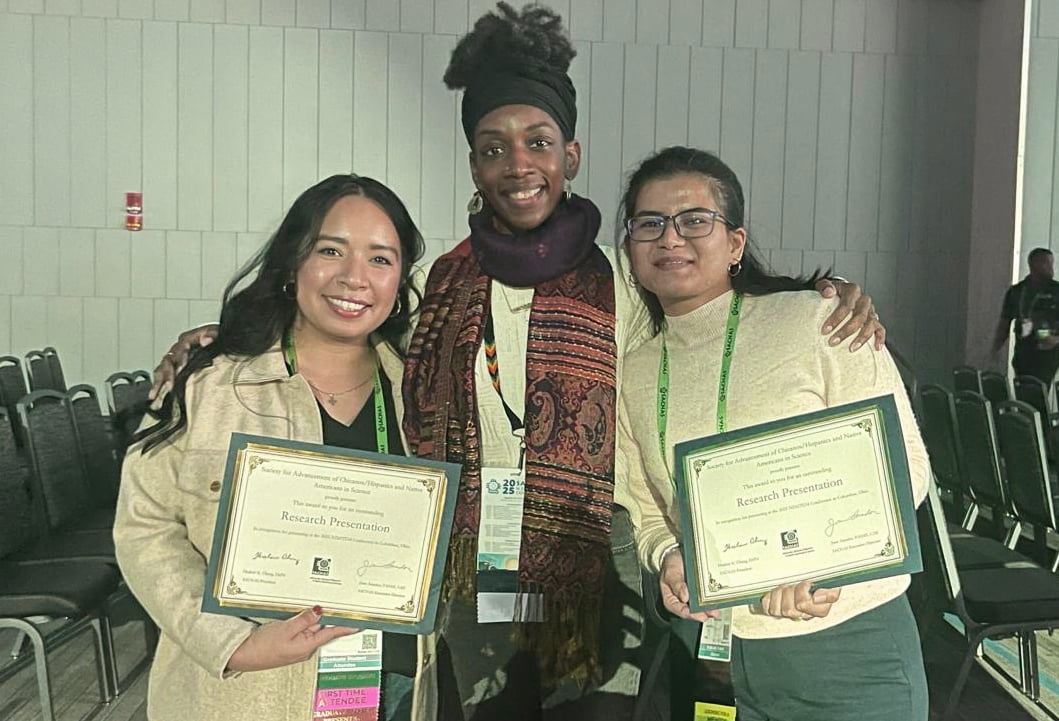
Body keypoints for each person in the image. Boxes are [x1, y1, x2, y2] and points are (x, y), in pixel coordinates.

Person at [148, 5, 884, 719]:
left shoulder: (623, 277)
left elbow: (712, 311)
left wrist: (816, 292)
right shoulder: (442, 283)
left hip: (601, 563)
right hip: (477, 564)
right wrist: (230, 333)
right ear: (473, 163)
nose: (518, 164)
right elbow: (352, 332)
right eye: (493, 147)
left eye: (538, 141)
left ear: (571, 154)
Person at [617, 146, 930, 721]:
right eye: (649, 224)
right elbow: (646, 504)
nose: (670, 239)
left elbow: (904, 468)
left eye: (694, 220)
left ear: (735, 243)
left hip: (846, 645)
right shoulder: (636, 371)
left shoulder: (817, 320)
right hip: (715, 654)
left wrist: (820, 562)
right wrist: (667, 556)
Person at [113, 174, 428, 721]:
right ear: (292, 264)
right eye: (330, 250)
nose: (354, 278)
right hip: (244, 694)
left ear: (400, 281)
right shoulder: (210, 387)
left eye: (381, 259)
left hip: (391, 685)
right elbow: (145, 527)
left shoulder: (425, 395)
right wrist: (230, 643)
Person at [993, 247, 1059, 384]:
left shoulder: (1056, 290)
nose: (1051, 268)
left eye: (1052, 264)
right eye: (1046, 264)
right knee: (1023, 390)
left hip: (1047, 353)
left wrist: (1055, 339)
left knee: (1038, 391)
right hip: (1023, 352)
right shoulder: (1017, 291)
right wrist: (995, 349)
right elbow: (1004, 322)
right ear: (1034, 264)